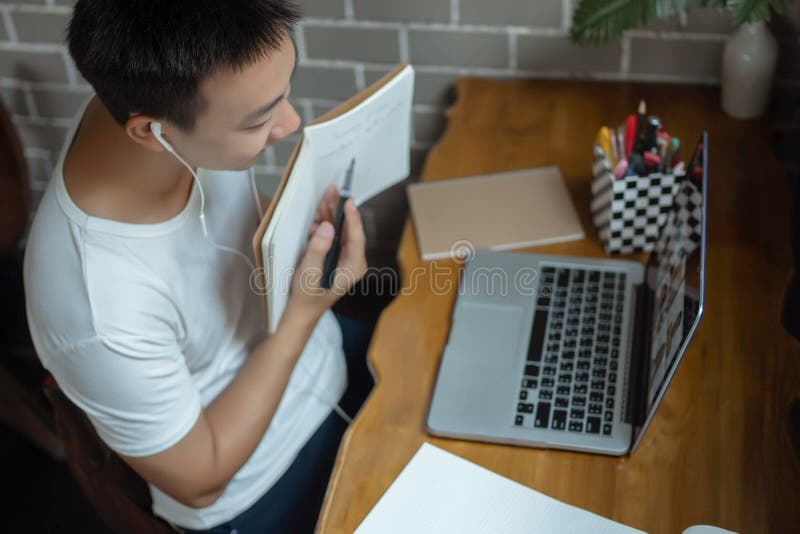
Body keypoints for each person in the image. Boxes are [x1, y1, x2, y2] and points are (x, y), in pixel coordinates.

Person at [22, 1, 371, 532]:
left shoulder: (149, 104)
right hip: (261, 481)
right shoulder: (96, 303)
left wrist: (294, 230)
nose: (292, 122)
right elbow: (200, 482)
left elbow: (228, 233)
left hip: (319, 351)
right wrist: (301, 315)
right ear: (151, 132)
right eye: (260, 119)